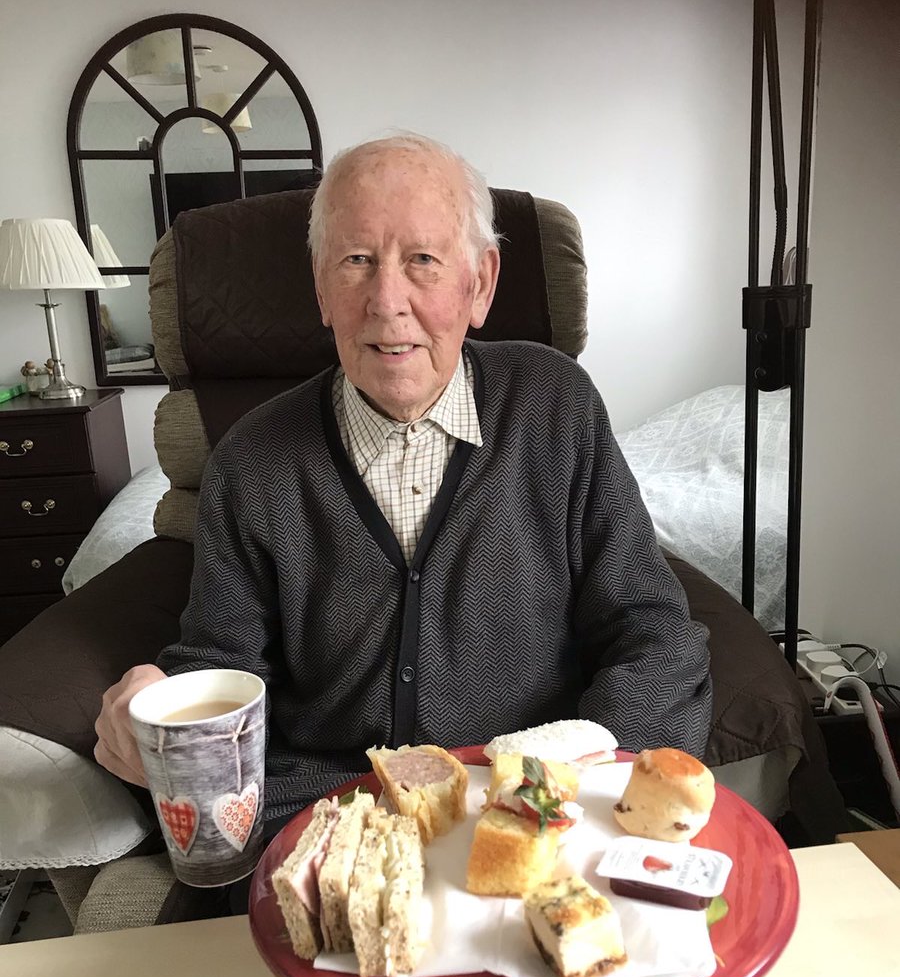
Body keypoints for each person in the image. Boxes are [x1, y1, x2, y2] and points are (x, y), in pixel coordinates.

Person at [95, 133, 712, 840]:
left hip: (534, 802)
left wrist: (585, 789)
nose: (387, 302)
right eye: (356, 262)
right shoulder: (251, 461)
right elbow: (223, 665)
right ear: (322, 288)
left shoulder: (556, 406)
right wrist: (162, 709)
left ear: (480, 283)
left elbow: (653, 629)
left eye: (422, 260)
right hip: (333, 808)